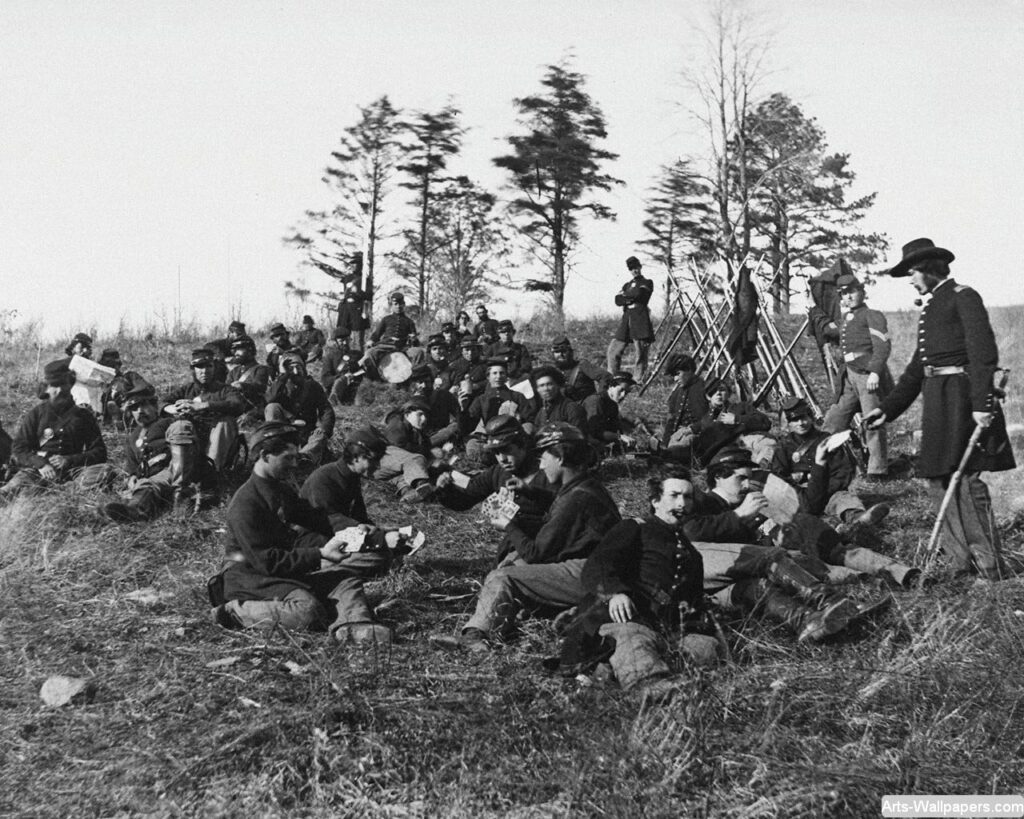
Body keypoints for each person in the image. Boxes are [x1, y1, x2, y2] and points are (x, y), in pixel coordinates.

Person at [865, 238, 1016, 582]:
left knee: (966, 477)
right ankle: (959, 561)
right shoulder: (931, 307)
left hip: (962, 399)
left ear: (931, 269)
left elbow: (983, 353)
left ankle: (989, 566)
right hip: (937, 399)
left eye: (913, 271)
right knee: (937, 476)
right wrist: (887, 410)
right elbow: (918, 369)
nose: (910, 279)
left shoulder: (963, 296)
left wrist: (982, 404)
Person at [442, 422, 622, 652]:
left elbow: (536, 554)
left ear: (561, 458)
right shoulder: (584, 487)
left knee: (503, 577)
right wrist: (529, 494)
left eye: (545, 456)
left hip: (593, 574)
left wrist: (509, 526)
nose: (542, 463)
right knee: (514, 563)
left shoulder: (575, 498)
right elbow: (559, 519)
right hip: (596, 568)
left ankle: (476, 636)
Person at [211, 422, 393, 644]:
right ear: (265, 455)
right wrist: (320, 554)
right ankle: (233, 612)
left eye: (296, 457)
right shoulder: (245, 504)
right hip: (250, 579)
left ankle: (354, 627)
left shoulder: (280, 490)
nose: (295, 464)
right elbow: (266, 561)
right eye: (288, 458)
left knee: (345, 578)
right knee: (307, 610)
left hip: (279, 572)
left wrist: (355, 529)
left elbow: (316, 518)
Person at [563, 469, 719, 696]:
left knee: (706, 648)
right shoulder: (635, 527)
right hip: (626, 617)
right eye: (674, 495)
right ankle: (649, 688)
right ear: (655, 501)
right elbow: (599, 564)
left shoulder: (692, 554)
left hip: (667, 628)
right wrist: (615, 593)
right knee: (632, 639)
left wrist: (697, 623)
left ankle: (619, 676)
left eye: (688, 497)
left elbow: (693, 600)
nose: (682, 503)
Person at [687, 447, 916, 597]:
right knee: (807, 560)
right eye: (741, 478)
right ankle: (867, 581)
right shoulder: (703, 502)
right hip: (764, 566)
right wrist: (741, 517)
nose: (747, 484)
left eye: (749, 478)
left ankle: (903, 573)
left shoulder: (747, 500)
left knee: (822, 536)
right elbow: (695, 534)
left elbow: (806, 505)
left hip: (784, 548)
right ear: (718, 477)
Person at [436, 415, 557, 563]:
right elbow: (465, 500)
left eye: (506, 450)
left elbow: (564, 510)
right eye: (496, 453)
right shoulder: (498, 473)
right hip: (515, 542)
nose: (502, 459)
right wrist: (445, 489)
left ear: (522, 444)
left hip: (547, 546)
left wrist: (531, 493)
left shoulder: (549, 471)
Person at [102, 380, 216, 522]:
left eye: (143, 405)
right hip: (154, 480)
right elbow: (132, 468)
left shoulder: (170, 421)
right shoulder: (132, 438)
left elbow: (188, 441)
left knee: (181, 427)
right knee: (146, 484)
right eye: (134, 408)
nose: (140, 411)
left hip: (182, 470)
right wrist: (131, 477)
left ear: (154, 405)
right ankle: (135, 510)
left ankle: (181, 493)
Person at [771, 397, 890, 530]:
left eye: (804, 417)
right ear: (788, 423)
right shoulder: (784, 446)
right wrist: (800, 493)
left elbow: (843, 472)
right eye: (794, 420)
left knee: (842, 498)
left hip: (827, 491)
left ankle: (858, 518)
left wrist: (823, 492)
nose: (801, 423)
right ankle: (835, 528)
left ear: (811, 417)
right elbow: (779, 477)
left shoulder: (827, 440)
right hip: (801, 495)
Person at [819, 267, 893, 479]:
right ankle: (822, 463)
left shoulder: (872, 315)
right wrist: (814, 306)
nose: (848, 297)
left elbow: (882, 347)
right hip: (849, 376)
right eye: (843, 294)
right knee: (835, 418)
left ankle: (877, 470)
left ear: (862, 292)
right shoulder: (846, 319)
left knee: (872, 422)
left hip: (867, 375)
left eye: (852, 291)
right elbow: (828, 329)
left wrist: (875, 372)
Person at [1, 359, 108, 498]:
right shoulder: (36, 414)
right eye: (54, 386)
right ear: (46, 388)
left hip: (74, 472)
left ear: (70, 385)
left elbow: (100, 452)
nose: (59, 391)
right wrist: (40, 464)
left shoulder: (84, 416)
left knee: (103, 471)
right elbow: (19, 448)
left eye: (63, 385)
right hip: (39, 471)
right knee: (9, 490)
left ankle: (67, 492)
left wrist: (69, 460)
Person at [162, 348, 245, 473]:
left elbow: (238, 404)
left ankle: (211, 474)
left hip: (219, 443)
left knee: (224, 423)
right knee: (179, 425)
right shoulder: (186, 389)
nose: (204, 371)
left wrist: (206, 405)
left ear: (214, 368)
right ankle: (180, 473)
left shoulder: (225, 389)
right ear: (193, 370)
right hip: (193, 440)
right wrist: (171, 408)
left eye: (209, 366)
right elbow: (161, 402)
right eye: (199, 367)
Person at [265, 352, 335, 464]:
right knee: (272, 407)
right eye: (291, 368)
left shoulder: (313, 386)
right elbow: (270, 399)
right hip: (284, 433)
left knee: (319, 436)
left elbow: (326, 410)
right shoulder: (279, 386)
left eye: (299, 367)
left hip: (306, 432)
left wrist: (324, 429)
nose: (296, 372)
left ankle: (303, 459)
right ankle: (278, 452)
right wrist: (283, 376)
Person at [461, 358, 535, 458]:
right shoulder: (481, 399)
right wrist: (463, 408)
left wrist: (522, 426)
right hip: (491, 438)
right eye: (494, 373)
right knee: (473, 445)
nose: (498, 377)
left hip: (513, 437)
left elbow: (529, 418)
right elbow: (469, 424)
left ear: (506, 376)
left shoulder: (517, 396)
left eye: (502, 373)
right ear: (488, 376)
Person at [375, 397, 445, 503]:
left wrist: (433, 456)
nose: (424, 419)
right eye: (420, 414)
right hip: (378, 465)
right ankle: (422, 484)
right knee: (415, 459)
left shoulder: (418, 432)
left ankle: (408, 493)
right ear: (407, 414)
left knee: (403, 477)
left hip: (392, 470)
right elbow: (398, 445)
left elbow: (426, 448)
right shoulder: (396, 423)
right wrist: (427, 453)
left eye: (426, 415)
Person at [694, 377, 775, 466]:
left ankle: (763, 466)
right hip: (724, 451)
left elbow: (765, 422)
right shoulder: (705, 420)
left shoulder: (741, 407)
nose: (718, 393)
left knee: (766, 446)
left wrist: (737, 419)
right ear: (708, 397)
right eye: (713, 391)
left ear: (728, 394)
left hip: (750, 441)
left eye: (722, 390)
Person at [607, 256, 654, 379]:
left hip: (640, 320)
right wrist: (630, 298)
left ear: (640, 267)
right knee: (613, 350)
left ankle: (638, 381)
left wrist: (626, 298)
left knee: (641, 354)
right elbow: (617, 300)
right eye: (632, 269)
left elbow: (641, 296)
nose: (635, 270)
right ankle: (614, 378)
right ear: (629, 270)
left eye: (636, 267)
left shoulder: (647, 282)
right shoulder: (627, 285)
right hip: (626, 320)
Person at [658, 353, 708, 462]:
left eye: (678, 374)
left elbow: (713, 417)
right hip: (679, 434)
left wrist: (693, 428)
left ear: (689, 370)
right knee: (655, 447)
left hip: (698, 436)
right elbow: (671, 420)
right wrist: (664, 443)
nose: (675, 379)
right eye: (673, 375)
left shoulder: (705, 388)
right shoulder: (677, 392)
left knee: (676, 451)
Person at [583, 371, 642, 452]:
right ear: (611, 386)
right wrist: (620, 437)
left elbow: (614, 428)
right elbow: (595, 432)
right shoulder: (595, 401)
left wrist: (626, 440)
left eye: (626, 393)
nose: (623, 395)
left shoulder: (612, 403)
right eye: (621, 390)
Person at [408, 364, 461, 450]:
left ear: (432, 381)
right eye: (420, 382)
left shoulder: (444, 395)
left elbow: (457, 415)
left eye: (427, 382)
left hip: (445, 433)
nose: (424, 386)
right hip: (426, 440)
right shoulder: (413, 403)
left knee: (455, 427)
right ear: (414, 385)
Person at [226, 335, 272, 429]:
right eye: (234, 350)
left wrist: (242, 386)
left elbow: (259, 387)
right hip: (235, 410)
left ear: (250, 350)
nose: (236, 353)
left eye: (239, 349)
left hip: (254, 411)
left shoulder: (261, 369)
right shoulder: (233, 372)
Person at [550, 336, 610, 403]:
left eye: (564, 351)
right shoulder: (552, 371)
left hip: (585, 406)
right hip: (567, 408)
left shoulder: (582, 365)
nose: (560, 355)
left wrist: (601, 396)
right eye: (557, 352)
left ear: (571, 352)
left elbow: (605, 376)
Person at [531, 365, 587, 434]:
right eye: (541, 385)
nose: (546, 389)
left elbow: (579, 435)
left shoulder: (571, 408)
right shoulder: (541, 414)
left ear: (557, 385)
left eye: (549, 384)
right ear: (537, 390)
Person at [320, 328, 362, 406]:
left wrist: (355, 375)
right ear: (336, 342)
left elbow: (365, 370)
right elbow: (325, 380)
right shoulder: (330, 357)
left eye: (347, 340)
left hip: (357, 385)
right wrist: (342, 377)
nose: (345, 343)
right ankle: (333, 400)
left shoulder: (358, 354)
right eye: (341, 341)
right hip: (340, 389)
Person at [336, 283, 368, 350]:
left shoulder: (360, 300)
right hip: (345, 324)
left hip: (356, 324)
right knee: (344, 342)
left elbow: (364, 313)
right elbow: (340, 314)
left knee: (358, 342)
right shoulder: (343, 303)